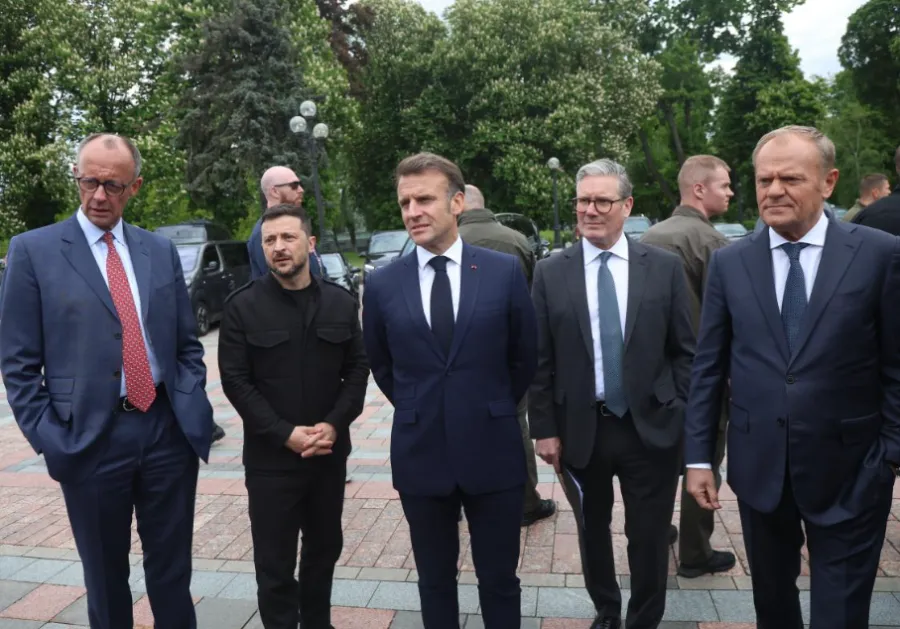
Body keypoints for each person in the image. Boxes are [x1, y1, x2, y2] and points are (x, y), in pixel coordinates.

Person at [685, 125, 900, 629]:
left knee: (840, 614)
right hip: (760, 470)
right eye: (764, 180)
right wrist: (698, 458)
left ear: (829, 182)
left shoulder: (880, 254)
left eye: (790, 179)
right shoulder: (730, 262)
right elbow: (708, 367)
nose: (774, 190)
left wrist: (890, 453)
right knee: (773, 607)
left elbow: (896, 362)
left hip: (853, 471)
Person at [0, 133, 213, 629]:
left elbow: (187, 343)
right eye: (88, 181)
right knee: (105, 577)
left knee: (172, 572)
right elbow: (17, 362)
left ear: (134, 186)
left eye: (112, 185)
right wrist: (51, 438)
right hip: (89, 440)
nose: (98, 195)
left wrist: (188, 397)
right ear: (77, 177)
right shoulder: (33, 251)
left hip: (165, 432)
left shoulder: (159, 250)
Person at [362, 153, 538, 629]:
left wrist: (488, 405)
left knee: (499, 580)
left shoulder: (502, 272)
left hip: (493, 449)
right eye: (405, 202)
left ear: (457, 202)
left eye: (424, 199)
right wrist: (422, 405)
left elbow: (524, 356)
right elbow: (382, 364)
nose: (413, 211)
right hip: (421, 453)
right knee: (434, 581)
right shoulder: (382, 284)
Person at [529, 159, 695, 629]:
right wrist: (544, 428)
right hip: (581, 428)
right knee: (591, 529)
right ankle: (606, 610)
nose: (590, 210)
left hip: (651, 426)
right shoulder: (550, 272)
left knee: (649, 533)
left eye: (603, 201)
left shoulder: (662, 268)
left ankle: (644, 618)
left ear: (627, 206)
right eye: (584, 200)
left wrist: (680, 409)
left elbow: (685, 350)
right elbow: (539, 358)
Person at [219, 204, 368, 629]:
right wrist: (284, 433)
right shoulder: (242, 307)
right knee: (274, 564)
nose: (279, 247)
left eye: (288, 237)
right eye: (270, 240)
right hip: (271, 463)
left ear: (310, 242)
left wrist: (334, 424)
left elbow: (358, 369)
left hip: (327, 457)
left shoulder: (340, 302)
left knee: (324, 552)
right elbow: (235, 381)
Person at [640, 155, 736, 578]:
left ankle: (656, 532)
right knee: (703, 460)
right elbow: (727, 318)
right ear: (699, 189)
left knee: (657, 461)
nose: (730, 192)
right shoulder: (712, 244)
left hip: (653, 376)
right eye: (724, 185)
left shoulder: (647, 237)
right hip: (701, 376)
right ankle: (696, 553)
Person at [457, 184, 556, 527]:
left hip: (457, 354)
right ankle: (527, 501)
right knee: (514, 422)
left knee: (460, 422)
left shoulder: (449, 242)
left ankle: (464, 499)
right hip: (509, 349)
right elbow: (531, 293)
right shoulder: (515, 240)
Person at [249, 166, 322, 280]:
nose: (301, 190)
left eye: (288, 237)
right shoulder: (262, 233)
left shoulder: (299, 225)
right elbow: (280, 284)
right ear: (274, 191)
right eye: (294, 185)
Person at [852, 145, 900, 236]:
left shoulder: (867, 216)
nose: (889, 191)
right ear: (875, 192)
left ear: (897, 168)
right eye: (887, 188)